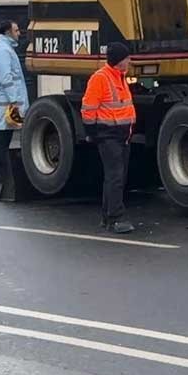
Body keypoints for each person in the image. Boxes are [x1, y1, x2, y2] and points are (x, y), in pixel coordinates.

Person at [82, 42, 136, 235]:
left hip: (121, 136)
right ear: (118, 61)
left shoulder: (120, 77)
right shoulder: (101, 78)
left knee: (116, 177)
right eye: (126, 58)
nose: (129, 60)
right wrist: (93, 133)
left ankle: (108, 216)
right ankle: (115, 218)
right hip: (109, 136)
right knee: (115, 177)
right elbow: (89, 108)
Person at [0, 20, 28, 183]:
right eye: (16, 30)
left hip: (5, 103)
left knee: (3, 138)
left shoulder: (4, 48)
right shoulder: (3, 51)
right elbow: (6, 79)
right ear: (8, 32)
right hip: (6, 104)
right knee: (3, 139)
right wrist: (15, 101)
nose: (19, 33)